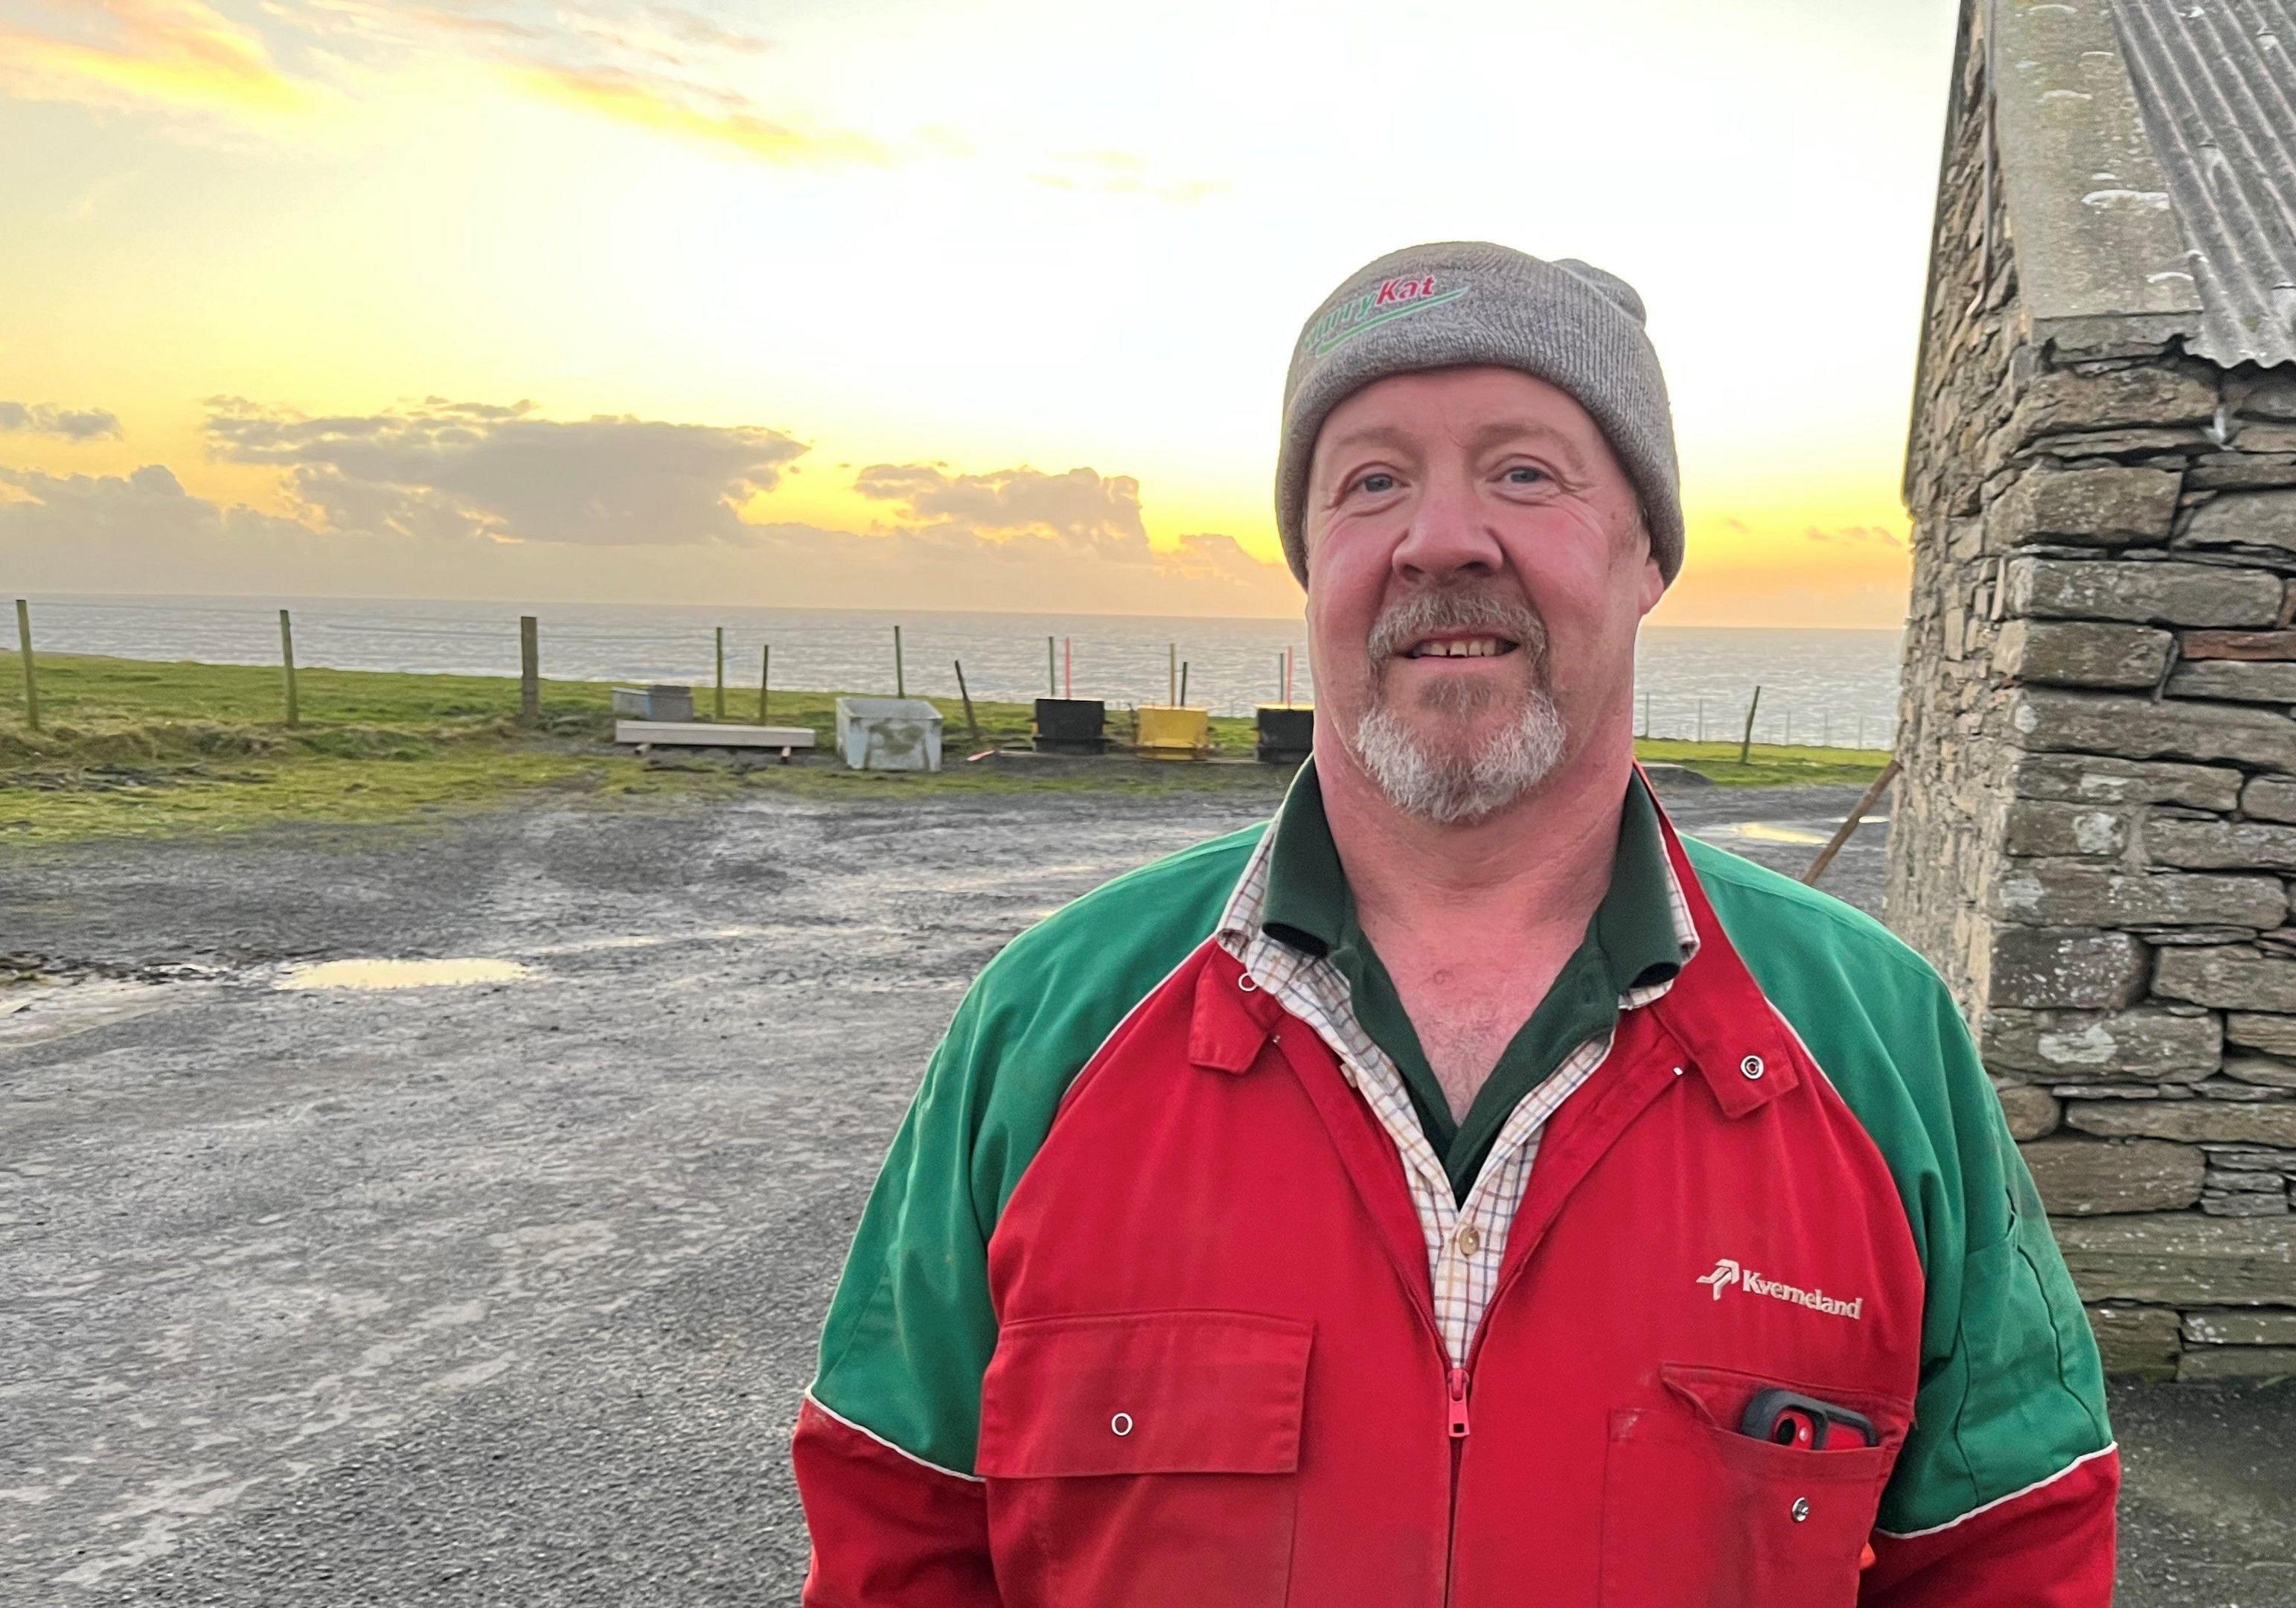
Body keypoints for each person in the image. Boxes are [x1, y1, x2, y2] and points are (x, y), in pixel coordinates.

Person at [790, 240, 2117, 1607]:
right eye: (1371, 482)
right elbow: (898, 1523)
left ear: (1646, 547)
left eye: (1525, 471)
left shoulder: (1876, 1041)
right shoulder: (1049, 1026)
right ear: (1312, 558)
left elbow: (2015, 1545)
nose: (1440, 538)